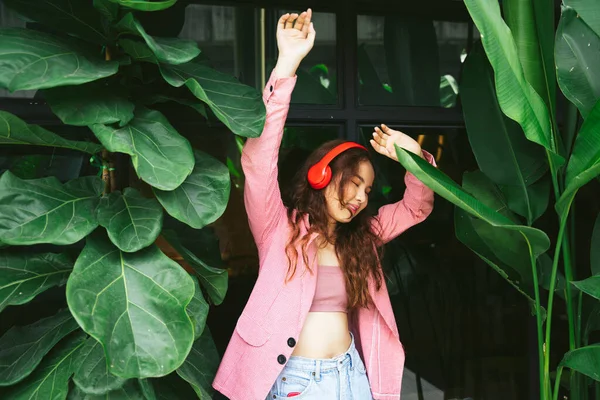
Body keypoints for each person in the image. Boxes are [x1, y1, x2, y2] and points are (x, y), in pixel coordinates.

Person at [212, 9, 436, 400]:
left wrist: (413, 156)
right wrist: (286, 64)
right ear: (322, 175)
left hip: (351, 374)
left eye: (367, 190)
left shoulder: (363, 237)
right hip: (299, 382)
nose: (361, 198)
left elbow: (417, 206)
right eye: (354, 183)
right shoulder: (277, 228)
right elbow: (258, 163)